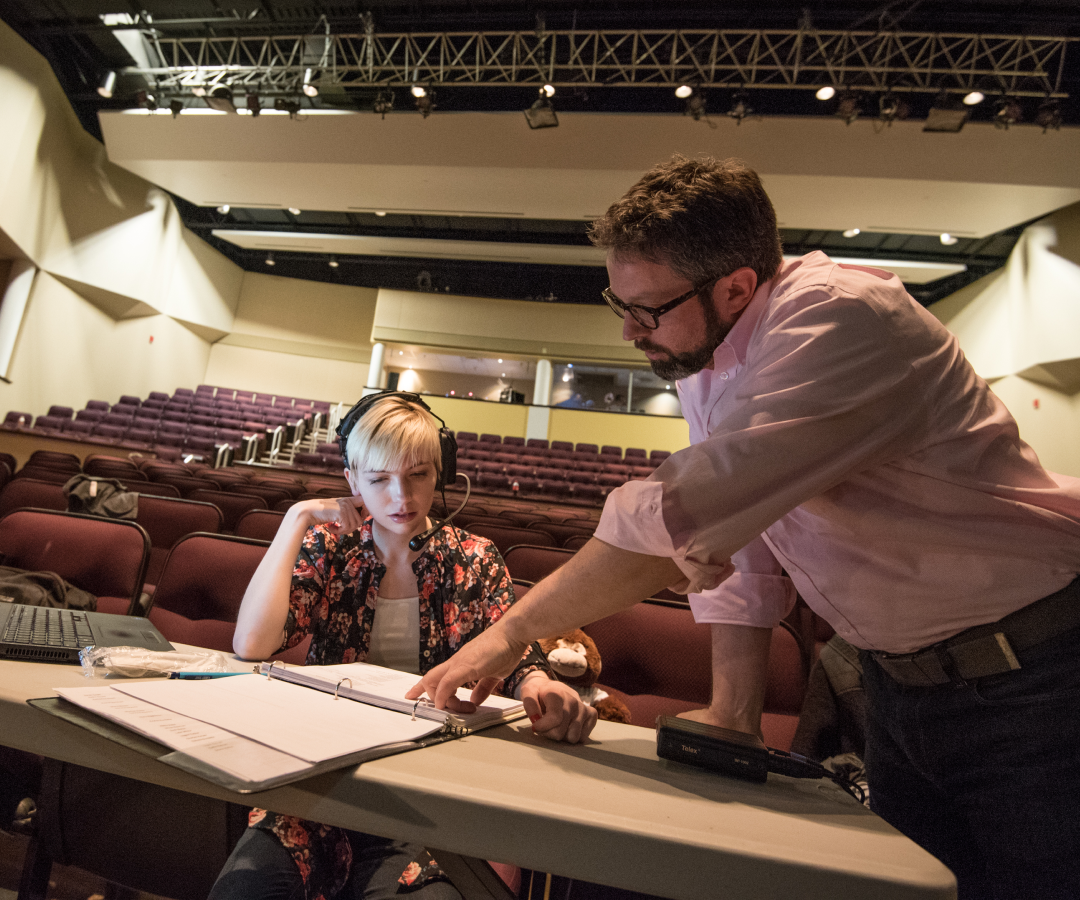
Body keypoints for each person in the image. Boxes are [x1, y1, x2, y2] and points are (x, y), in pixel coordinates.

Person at [410, 156, 1080, 899]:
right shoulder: (704, 357)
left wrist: (504, 638)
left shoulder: (839, 317)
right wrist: (734, 712)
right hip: (898, 684)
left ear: (734, 286)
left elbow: (676, 520)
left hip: (1037, 675)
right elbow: (738, 542)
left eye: (649, 309)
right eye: (618, 301)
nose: (630, 330)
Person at [210, 392, 596, 900]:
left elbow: (517, 652)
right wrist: (296, 520)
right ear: (351, 481)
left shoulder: (475, 558)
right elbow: (254, 643)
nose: (401, 497)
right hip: (323, 784)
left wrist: (543, 685)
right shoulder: (330, 547)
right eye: (378, 480)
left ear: (440, 473)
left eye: (418, 475)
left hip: (431, 796)